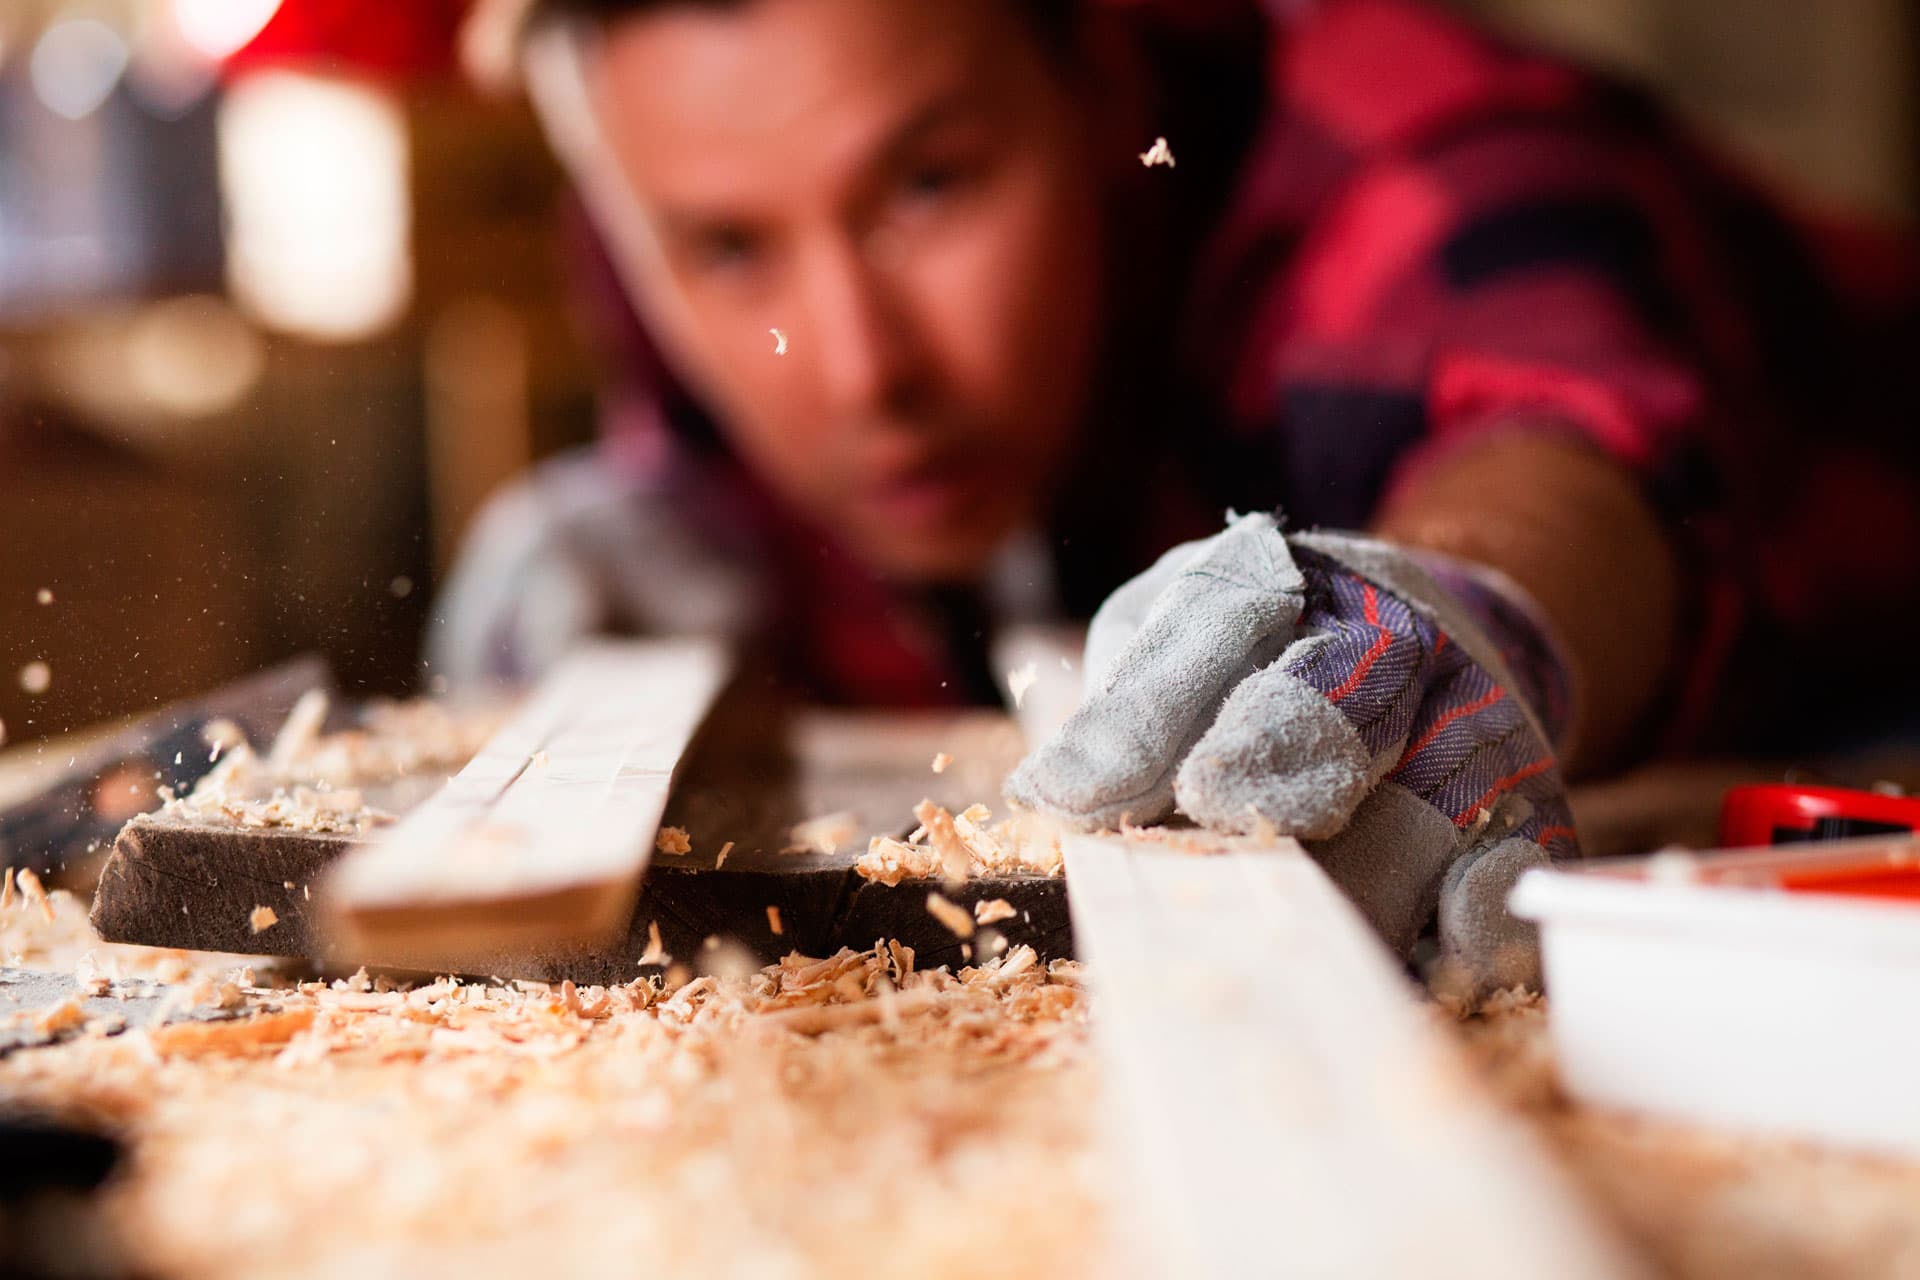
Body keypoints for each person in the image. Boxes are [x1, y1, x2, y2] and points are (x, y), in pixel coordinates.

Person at [434, 0, 1920, 989]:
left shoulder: (1414, 145)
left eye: (932, 185)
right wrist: (668, 513)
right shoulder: (676, 222)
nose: (859, 366)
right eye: (731, 250)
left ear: (1103, 76)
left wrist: (1475, 601)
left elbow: (1569, 431)